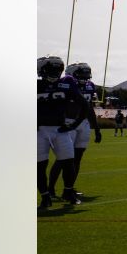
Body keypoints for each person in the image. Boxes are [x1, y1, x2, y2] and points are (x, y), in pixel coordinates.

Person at [47, 63, 103, 201]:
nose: (85, 77)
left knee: (77, 158)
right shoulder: (65, 84)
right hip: (68, 122)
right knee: (63, 158)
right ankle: (50, 190)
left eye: (86, 74)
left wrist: (96, 128)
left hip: (83, 123)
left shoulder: (90, 86)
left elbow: (89, 108)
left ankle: (69, 188)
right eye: (81, 74)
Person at [37, 56, 86, 210]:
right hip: (39, 131)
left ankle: (68, 192)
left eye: (57, 70)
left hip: (60, 129)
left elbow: (84, 105)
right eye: (51, 69)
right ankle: (45, 197)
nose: (54, 73)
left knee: (68, 163)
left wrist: (74, 124)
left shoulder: (66, 83)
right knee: (39, 166)